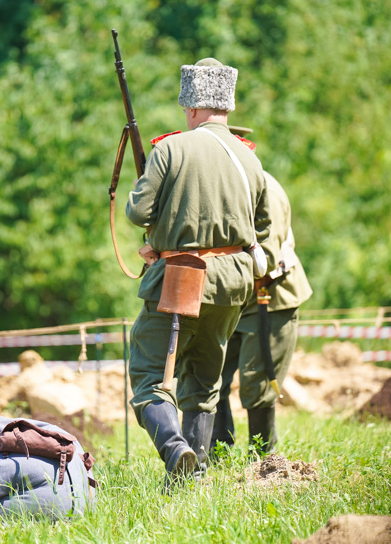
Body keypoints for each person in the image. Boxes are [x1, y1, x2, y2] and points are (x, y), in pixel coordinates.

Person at [125, 58, 271, 482]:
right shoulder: (250, 160)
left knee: (149, 376)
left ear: (190, 107)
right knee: (205, 382)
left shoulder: (170, 148)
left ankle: (175, 450)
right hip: (232, 284)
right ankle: (193, 477)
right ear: (227, 107)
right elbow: (261, 225)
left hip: (181, 278)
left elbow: (138, 211)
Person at [211, 134, 313, 456]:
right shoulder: (217, 187)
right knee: (211, 379)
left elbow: (268, 258)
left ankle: (264, 462)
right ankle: (217, 456)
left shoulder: (268, 188)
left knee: (257, 386)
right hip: (232, 298)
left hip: (269, 295)